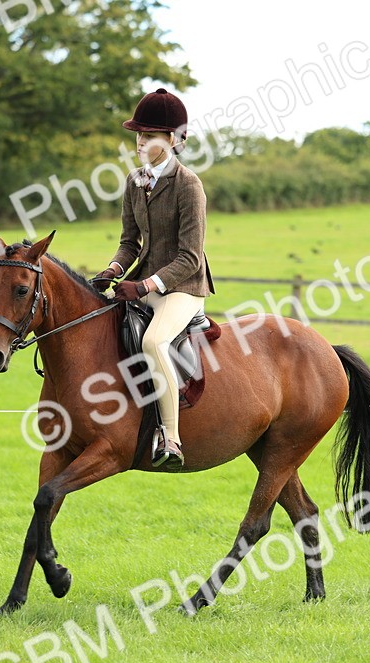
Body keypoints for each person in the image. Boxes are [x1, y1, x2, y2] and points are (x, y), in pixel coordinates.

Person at [92, 87, 214, 471]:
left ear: (173, 140)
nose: (140, 143)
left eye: (149, 136)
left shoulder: (188, 185)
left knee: (154, 340)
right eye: (138, 135)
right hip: (143, 283)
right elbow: (129, 243)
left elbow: (190, 257)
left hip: (184, 288)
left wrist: (144, 286)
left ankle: (170, 438)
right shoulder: (134, 181)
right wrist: (113, 270)